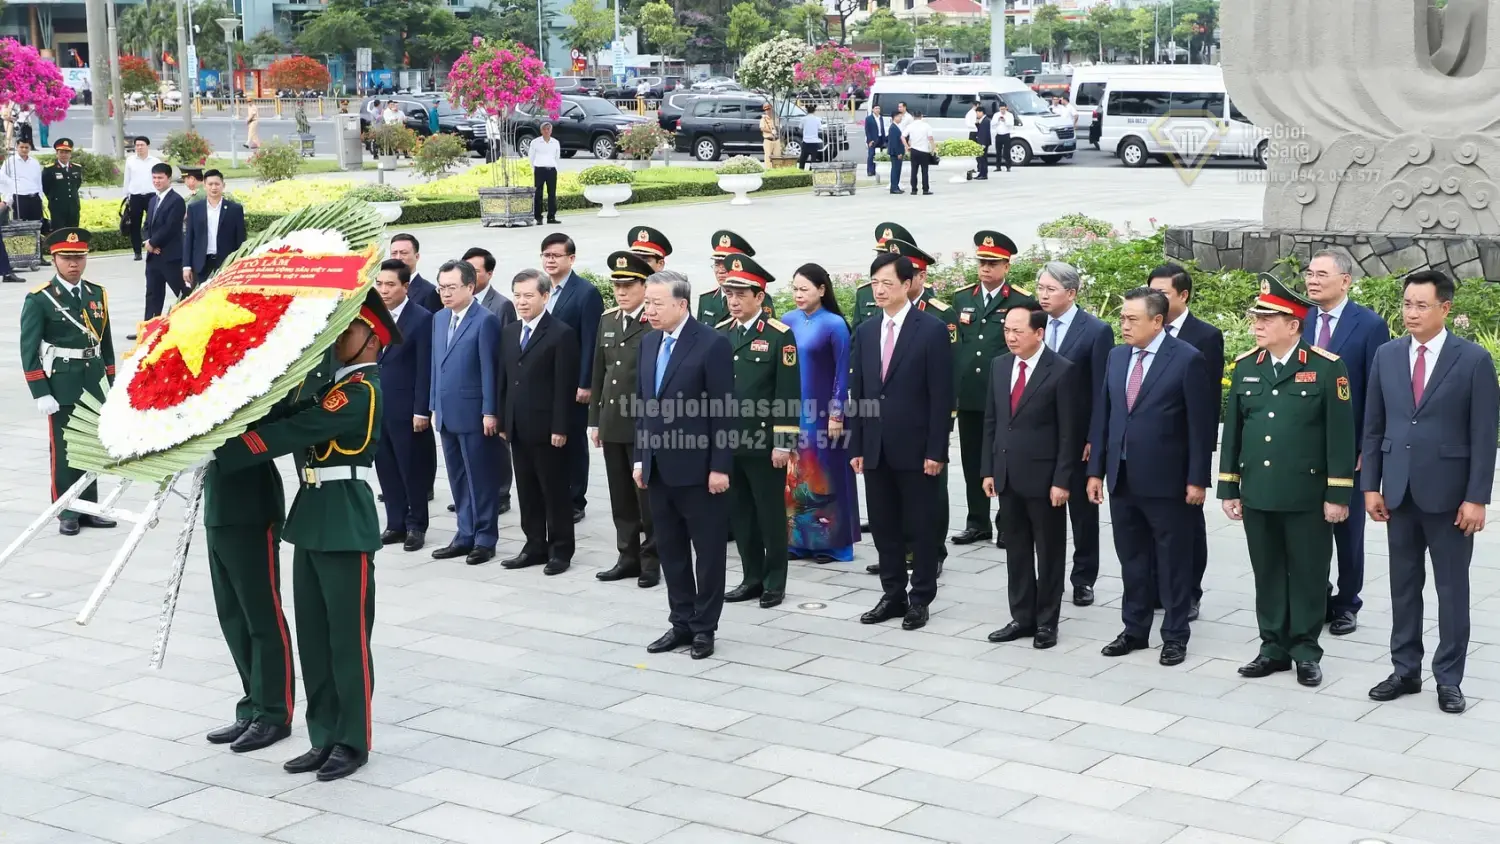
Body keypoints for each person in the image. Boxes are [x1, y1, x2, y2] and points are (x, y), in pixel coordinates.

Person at [213, 288, 400, 782]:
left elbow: (299, 429)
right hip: (313, 514)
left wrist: (224, 451)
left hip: (345, 518)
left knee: (348, 639)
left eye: (348, 331)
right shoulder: (334, 386)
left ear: (371, 339)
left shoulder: (361, 392)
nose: (338, 339)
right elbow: (288, 412)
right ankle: (323, 736)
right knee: (316, 640)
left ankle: (352, 740)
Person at [1363, 270, 1499, 715]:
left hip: (1450, 498)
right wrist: (1371, 487)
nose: (1411, 313)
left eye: (1421, 305)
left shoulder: (1473, 360)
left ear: (1445, 309)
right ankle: (1405, 670)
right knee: (1403, 588)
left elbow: (1484, 435)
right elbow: (1374, 426)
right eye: (1406, 304)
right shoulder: (1386, 356)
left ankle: (1449, 679)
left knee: (1451, 591)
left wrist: (1477, 497)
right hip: (1398, 493)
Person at [1220, 273, 1355, 689]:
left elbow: (1340, 436)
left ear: (1293, 324)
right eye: (1255, 317)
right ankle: (1272, 647)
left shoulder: (1326, 368)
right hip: (1259, 492)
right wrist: (1229, 486)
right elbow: (1233, 434)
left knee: (1310, 573)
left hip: (1306, 495)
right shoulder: (1245, 368)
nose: (1256, 325)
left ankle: (1306, 650)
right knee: (1268, 572)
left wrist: (1338, 494)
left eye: (1267, 318)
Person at [1087, 286, 1213, 666]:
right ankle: (1134, 629)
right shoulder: (1116, 356)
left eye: (1132, 319)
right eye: (1122, 317)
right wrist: (1095, 471)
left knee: (1173, 561)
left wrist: (1197, 479)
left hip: (1168, 482)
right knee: (1132, 559)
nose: (1123, 324)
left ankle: (1175, 635)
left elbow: (1200, 426)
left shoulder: (1187, 359)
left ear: (1157, 321)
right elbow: (1104, 416)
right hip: (1122, 478)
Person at [849, 251, 955, 632]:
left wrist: (935, 450)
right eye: (875, 283)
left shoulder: (930, 330)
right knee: (884, 524)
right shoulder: (864, 331)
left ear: (908, 284)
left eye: (887, 283)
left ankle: (921, 597)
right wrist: (856, 445)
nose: (879, 290)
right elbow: (858, 391)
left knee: (921, 525)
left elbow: (942, 396)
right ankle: (892, 593)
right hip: (875, 447)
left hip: (916, 449)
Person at [635, 270, 735, 660]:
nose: (651, 310)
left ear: (682, 304)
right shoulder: (648, 344)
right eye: (648, 302)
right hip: (659, 468)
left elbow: (725, 411)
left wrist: (720, 466)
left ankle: (704, 627)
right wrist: (641, 459)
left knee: (708, 554)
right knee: (671, 550)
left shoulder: (711, 344)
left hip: (700, 469)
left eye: (657, 303)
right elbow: (644, 407)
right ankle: (680, 621)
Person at [1302, 248, 1389, 636]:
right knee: (1308, 524)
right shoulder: (1298, 320)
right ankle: (1315, 596)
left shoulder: (1369, 325)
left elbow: (1376, 391)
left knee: (1347, 529)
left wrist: (1365, 449)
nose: (1313, 280)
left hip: (1348, 448)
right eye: (1310, 273)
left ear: (1345, 281)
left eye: (1322, 274)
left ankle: (1347, 602)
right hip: (1302, 446)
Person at [983, 306, 1079, 649]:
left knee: (1049, 552)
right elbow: (992, 422)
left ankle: (1047, 621)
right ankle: (1021, 616)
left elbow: (1070, 432)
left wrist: (1063, 480)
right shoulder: (999, 366)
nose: (1010, 337)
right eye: (1007, 330)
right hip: (1007, 474)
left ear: (1039, 333)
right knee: (1016, 550)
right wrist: (988, 469)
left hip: (1045, 479)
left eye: (1018, 331)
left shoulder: (1062, 370)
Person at [19, 228, 118, 536]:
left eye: (79, 257)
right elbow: (28, 349)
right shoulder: (40, 299)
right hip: (61, 382)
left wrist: (111, 384)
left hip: (93, 380)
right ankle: (67, 510)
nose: (74, 264)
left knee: (90, 444)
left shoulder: (95, 293)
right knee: (64, 449)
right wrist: (40, 391)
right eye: (67, 258)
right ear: (54, 259)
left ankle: (90, 507)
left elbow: (106, 342)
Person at [717, 255, 801, 609]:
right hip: (730, 442)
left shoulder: (780, 336)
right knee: (741, 515)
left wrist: (783, 443)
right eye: (729, 294)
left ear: (759, 297)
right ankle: (750, 577)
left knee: (769, 516)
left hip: (765, 443)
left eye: (740, 294)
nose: (733, 301)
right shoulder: (722, 333)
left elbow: (787, 395)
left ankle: (774, 581)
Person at [1148, 263, 1224, 620]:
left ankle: (1190, 591)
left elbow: (1207, 404)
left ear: (1183, 295)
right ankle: (1158, 587)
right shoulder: (1145, 330)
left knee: (1189, 524)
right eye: (1151, 292)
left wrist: (1200, 459)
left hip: (1184, 449)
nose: (1155, 299)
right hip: (1150, 450)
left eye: (1162, 293)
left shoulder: (1205, 336)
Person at [1035, 261, 1112, 606]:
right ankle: (1048, 576)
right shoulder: (1034, 325)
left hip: (1078, 438)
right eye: (1040, 288)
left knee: (1082, 512)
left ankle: (1084, 577)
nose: (1043, 295)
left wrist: (1095, 439)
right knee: (1045, 510)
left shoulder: (1095, 331)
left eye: (1050, 289)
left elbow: (1101, 390)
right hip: (1040, 435)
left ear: (1071, 292)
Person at [950, 231, 1034, 548]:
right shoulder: (962, 298)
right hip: (970, 393)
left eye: (992, 263)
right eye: (981, 262)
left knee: (1004, 459)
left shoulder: (1020, 301)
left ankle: (1007, 523)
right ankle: (978, 522)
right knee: (972, 460)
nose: (985, 269)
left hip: (1004, 394)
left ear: (1006, 266)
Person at [499, 269, 579, 575]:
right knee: (527, 490)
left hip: (548, 430)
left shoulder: (561, 333)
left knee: (554, 491)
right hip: (519, 426)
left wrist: (561, 427)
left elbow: (564, 385)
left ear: (545, 296)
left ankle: (560, 550)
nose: (521, 301)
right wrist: (505, 419)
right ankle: (534, 544)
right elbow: (505, 379)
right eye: (517, 295)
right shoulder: (509, 332)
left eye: (528, 295)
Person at [590, 252, 660, 588]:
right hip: (613, 420)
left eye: (628, 285)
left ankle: (652, 560)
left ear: (644, 286)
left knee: (646, 496)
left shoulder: (653, 322)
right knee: (620, 495)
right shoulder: (607, 320)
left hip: (643, 423)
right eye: (616, 285)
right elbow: (599, 373)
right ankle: (627, 555)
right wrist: (594, 421)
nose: (620, 291)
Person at [427, 259, 504, 566]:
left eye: (451, 287)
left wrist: (490, 411)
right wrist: (433, 404)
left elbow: (489, 369)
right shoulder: (439, 318)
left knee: (480, 478)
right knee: (458, 477)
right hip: (447, 412)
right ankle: (464, 534)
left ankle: (485, 538)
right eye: (441, 287)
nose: (445, 293)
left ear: (470, 287)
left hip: (474, 413)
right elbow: (437, 365)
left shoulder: (485, 320)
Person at [786, 263, 859, 563]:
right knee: (795, 476)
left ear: (821, 290)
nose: (798, 295)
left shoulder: (834, 325)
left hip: (823, 415)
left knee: (825, 476)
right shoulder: (788, 320)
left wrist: (837, 413)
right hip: (794, 411)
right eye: (794, 289)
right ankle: (797, 541)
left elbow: (843, 373)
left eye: (804, 289)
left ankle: (832, 543)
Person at [539, 232, 604, 522]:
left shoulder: (585, 292)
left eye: (556, 255)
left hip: (572, 380)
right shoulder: (540, 289)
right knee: (550, 438)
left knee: (574, 440)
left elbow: (592, 340)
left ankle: (576, 499)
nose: (550, 260)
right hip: (544, 380)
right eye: (546, 255)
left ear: (571, 258)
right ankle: (554, 492)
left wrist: (586, 382)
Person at [372, 259, 434, 554]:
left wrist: (421, 410)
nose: (383, 290)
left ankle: (415, 525)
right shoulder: (371, 316)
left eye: (390, 285)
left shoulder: (421, 319)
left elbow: (425, 368)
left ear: (405, 287)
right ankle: (394, 523)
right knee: (385, 466)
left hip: (408, 410)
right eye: (379, 284)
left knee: (412, 469)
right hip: (378, 406)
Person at [142, 162, 187, 325]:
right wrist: (148, 242)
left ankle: (192, 322)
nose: (157, 181)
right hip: (153, 257)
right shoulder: (153, 200)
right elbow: (147, 225)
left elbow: (171, 226)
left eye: (160, 178)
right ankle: (148, 327)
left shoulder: (177, 201)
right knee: (153, 294)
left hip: (170, 256)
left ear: (169, 179)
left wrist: (153, 243)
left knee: (182, 293)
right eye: (154, 178)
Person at [183, 169, 246, 286]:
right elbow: (189, 238)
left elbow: (241, 238)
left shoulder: (235, 209)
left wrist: (240, 262)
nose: (214, 187)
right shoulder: (194, 208)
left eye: (217, 184)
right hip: (201, 262)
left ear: (223, 185)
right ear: (204, 186)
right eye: (210, 184)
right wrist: (186, 266)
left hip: (226, 262)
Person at [123, 136, 161, 262]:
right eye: (137, 145)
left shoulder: (155, 161)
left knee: (153, 223)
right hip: (135, 197)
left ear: (147, 146)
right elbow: (126, 180)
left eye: (142, 145)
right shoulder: (130, 161)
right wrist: (126, 196)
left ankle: (154, 247)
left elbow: (159, 179)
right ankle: (137, 252)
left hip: (152, 196)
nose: (139, 147)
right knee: (135, 225)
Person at [464, 247, 518, 330]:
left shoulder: (502, 305)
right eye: (465, 270)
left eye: (475, 271)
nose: (469, 275)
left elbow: (509, 339)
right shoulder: (457, 300)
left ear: (489, 274)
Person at [389, 233, 442, 311]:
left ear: (417, 256)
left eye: (403, 253)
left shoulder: (430, 292)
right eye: (394, 253)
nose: (398, 257)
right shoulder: (383, 289)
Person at [42, 138, 83, 230]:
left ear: (70, 154)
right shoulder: (50, 169)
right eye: (61, 152)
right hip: (57, 207)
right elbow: (46, 188)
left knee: (73, 234)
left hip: (73, 206)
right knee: (58, 234)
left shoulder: (77, 168)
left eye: (66, 152)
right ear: (57, 154)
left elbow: (77, 185)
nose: (64, 155)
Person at [1, 139, 45, 224]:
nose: (24, 149)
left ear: (30, 148)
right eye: (21, 147)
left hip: (35, 198)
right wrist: (8, 198)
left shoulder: (34, 162)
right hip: (19, 198)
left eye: (26, 147)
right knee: (20, 227)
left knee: (36, 225)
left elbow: (39, 181)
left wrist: (40, 197)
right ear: (17, 147)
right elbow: (2, 179)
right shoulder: (10, 161)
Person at [528, 122, 561, 225]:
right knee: (538, 194)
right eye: (544, 129)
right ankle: (538, 217)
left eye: (548, 129)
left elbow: (557, 156)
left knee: (552, 194)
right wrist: (534, 167)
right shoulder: (535, 142)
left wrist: (554, 166)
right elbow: (531, 157)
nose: (546, 131)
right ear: (541, 131)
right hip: (539, 169)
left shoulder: (555, 142)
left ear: (551, 131)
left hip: (551, 170)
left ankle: (551, 217)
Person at [903, 109, 934, 195]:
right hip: (924, 151)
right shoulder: (926, 126)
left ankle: (914, 189)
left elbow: (902, 136)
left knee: (914, 171)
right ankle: (925, 189)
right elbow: (930, 138)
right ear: (921, 116)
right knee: (924, 171)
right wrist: (933, 148)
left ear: (913, 117)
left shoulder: (910, 126)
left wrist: (907, 146)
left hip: (914, 150)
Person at [885, 114, 906, 195]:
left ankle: (896, 186)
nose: (901, 118)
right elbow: (894, 142)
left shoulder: (896, 126)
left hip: (898, 151)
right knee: (895, 170)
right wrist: (898, 153)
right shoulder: (893, 128)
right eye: (900, 117)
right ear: (895, 117)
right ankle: (894, 187)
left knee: (897, 170)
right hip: (896, 153)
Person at [864, 104, 886, 179]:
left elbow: (882, 128)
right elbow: (867, 130)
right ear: (873, 110)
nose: (877, 110)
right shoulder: (869, 118)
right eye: (876, 108)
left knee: (880, 155)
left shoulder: (881, 118)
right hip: (873, 139)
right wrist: (869, 140)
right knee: (871, 155)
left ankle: (879, 170)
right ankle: (870, 170)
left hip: (880, 138)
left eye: (879, 108)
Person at [798, 103, 823, 169]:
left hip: (806, 141)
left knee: (802, 159)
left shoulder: (803, 119)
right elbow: (820, 128)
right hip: (814, 142)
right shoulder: (818, 119)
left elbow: (800, 128)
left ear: (807, 110)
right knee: (813, 160)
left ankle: (801, 172)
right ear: (814, 111)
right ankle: (811, 172)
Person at [992, 106, 1014, 173]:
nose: (1002, 111)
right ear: (999, 109)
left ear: (1006, 108)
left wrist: (1005, 121)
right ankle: (998, 167)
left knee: (1006, 152)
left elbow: (1011, 124)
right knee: (998, 152)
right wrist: (998, 121)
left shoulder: (1010, 115)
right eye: (1001, 109)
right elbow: (992, 124)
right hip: (998, 134)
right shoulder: (996, 115)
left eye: (1004, 109)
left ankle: (1008, 166)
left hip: (1006, 134)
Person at [973, 105, 991, 180]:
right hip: (981, 141)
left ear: (981, 112)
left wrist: (983, 144)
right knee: (981, 158)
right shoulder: (982, 120)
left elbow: (984, 133)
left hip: (983, 142)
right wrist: (977, 124)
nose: (977, 114)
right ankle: (981, 173)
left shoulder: (986, 120)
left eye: (977, 112)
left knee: (983, 159)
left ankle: (984, 174)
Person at [760, 102, 779, 167]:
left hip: (776, 140)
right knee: (768, 156)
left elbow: (778, 127)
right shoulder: (764, 119)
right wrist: (771, 131)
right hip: (768, 140)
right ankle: (768, 170)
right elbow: (762, 128)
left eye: (769, 109)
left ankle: (777, 170)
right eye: (766, 110)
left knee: (777, 156)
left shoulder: (775, 118)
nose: (768, 111)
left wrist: (778, 128)